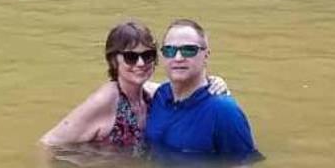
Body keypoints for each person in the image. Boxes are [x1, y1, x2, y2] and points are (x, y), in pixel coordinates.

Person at [39, 21, 226, 149]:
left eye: (147, 55)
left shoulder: (155, 94)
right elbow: (48, 143)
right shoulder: (105, 100)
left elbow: (187, 90)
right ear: (114, 60)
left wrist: (214, 82)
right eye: (130, 57)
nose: (140, 63)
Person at [145, 19, 260, 159]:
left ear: (206, 55)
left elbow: (243, 165)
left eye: (189, 50)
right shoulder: (160, 96)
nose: (178, 58)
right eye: (169, 50)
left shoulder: (224, 111)